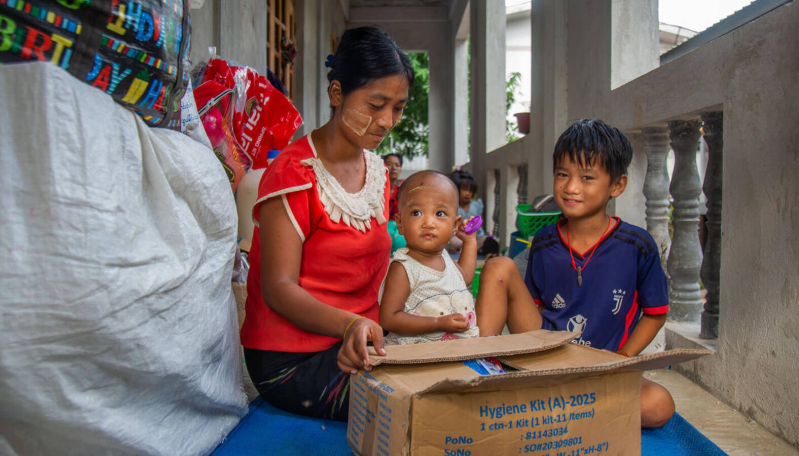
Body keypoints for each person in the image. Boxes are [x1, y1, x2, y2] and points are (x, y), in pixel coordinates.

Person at [240, 26, 414, 422]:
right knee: (409, 408)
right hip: (291, 359)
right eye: (376, 104)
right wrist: (351, 323)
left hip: (361, 343)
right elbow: (278, 289)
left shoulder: (377, 172)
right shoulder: (293, 173)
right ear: (337, 94)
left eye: (398, 108)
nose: (387, 121)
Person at [475, 119, 675, 428]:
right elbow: (535, 308)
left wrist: (623, 358)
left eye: (587, 177)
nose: (571, 187)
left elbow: (655, 313)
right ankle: (483, 372)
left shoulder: (637, 245)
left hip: (601, 368)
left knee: (660, 405)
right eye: (562, 175)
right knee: (498, 266)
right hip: (545, 357)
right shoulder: (543, 241)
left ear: (617, 185)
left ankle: (557, 406)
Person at [379, 171, 480, 344]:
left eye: (439, 214)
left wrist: (469, 241)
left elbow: (465, 277)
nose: (428, 223)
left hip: (454, 351)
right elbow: (389, 318)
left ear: (455, 225)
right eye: (416, 213)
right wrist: (437, 323)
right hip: (419, 356)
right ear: (400, 223)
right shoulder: (404, 267)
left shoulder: (444, 257)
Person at [447, 170, 488, 253]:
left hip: (476, 237)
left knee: (489, 242)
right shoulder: (453, 206)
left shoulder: (476, 205)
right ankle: (466, 250)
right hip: (458, 238)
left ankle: (463, 250)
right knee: (455, 242)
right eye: (464, 190)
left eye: (470, 191)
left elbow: (479, 223)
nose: (467, 193)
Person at [383, 153, 403, 220]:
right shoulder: (376, 191)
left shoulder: (402, 192)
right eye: (389, 164)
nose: (394, 168)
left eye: (397, 165)